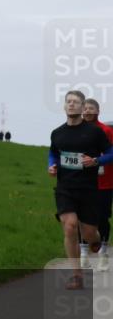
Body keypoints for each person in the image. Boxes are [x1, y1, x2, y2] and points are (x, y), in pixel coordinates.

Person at [48, 91, 112, 288]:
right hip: (65, 188)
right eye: (68, 101)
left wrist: (96, 161)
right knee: (70, 226)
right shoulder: (57, 133)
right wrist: (51, 166)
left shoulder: (94, 132)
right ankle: (77, 276)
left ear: (83, 107)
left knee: (89, 233)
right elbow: (53, 153)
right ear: (64, 106)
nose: (71, 104)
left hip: (89, 189)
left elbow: (111, 152)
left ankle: (96, 242)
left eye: (76, 102)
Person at [83, 98, 113, 271]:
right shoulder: (76, 131)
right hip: (81, 182)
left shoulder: (106, 131)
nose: (87, 111)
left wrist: (97, 160)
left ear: (98, 111)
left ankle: (103, 253)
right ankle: (83, 254)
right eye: (85, 108)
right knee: (82, 218)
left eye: (91, 108)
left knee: (102, 218)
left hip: (104, 182)